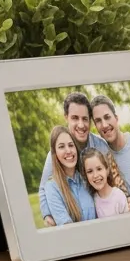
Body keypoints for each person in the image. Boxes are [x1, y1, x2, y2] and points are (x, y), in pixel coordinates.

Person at [38, 92, 109, 227]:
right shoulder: (54, 155)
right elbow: (44, 188)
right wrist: (48, 215)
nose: (81, 125)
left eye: (85, 119)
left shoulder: (101, 147)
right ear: (67, 118)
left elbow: (112, 180)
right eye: (75, 118)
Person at [39, 125, 96, 227]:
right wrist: (46, 215)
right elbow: (68, 230)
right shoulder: (52, 187)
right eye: (61, 147)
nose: (68, 151)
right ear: (55, 153)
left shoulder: (87, 179)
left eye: (71, 145)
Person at [81, 148, 130, 219]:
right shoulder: (92, 200)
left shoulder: (118, 196)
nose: (95, 175)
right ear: (86, 176)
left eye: (99, 169)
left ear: (107, 170)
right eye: (90, 171)